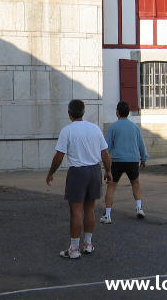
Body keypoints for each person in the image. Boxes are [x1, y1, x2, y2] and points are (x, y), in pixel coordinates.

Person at [46, 99, 113, 259]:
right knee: (90, 209)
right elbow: (105, 153)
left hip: (77, 173)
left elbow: (59, 156)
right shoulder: (95, 129)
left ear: (69, 114)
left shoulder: (67, 131)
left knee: (76, 211)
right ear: (83, 112)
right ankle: (88, 244)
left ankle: (74, 249)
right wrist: (108, 171)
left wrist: (51, 172)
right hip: (95, 170)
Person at [100, 101, 148, 224]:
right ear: (129, 113)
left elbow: (107, 148)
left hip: (117, 160)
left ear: (117, 112)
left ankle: (108, 215)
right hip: (132, 160)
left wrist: (104, 163)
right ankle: (139, 208)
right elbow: (141, 144)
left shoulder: (113, 127)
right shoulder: (135, 127)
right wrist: (144, 158)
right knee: (135, 184)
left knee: (111, 186)